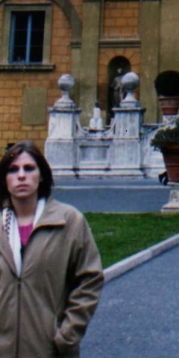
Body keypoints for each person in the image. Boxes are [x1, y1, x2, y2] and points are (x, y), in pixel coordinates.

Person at [0, 140, 103, 357]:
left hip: (48, 349)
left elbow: (89, 279)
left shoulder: (69, 221)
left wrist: (67, 335)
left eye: (29, 168)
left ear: (42, 175)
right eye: (13, 170)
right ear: (4, 179)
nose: (21, 176)